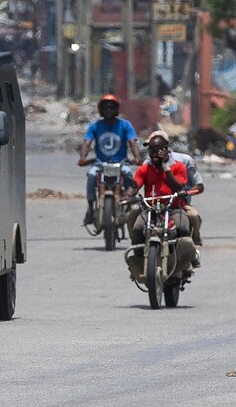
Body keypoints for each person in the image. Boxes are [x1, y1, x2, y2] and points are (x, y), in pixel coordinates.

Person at [123, 132, 195, 280]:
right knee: (137, 228)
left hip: (173, 208)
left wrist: (165, 168)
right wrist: (127, 196)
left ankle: (185, 262)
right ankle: (140, 261)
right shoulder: (145, 168)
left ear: (166, 149)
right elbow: (136, 185)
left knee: (183, 227)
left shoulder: (179, 167)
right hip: (151, 209)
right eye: (151, 151)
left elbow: (177, 187)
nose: (154, 154)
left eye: (158, 150)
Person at [77, 94, 142, 225]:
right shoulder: (95, 126)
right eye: (106, 108)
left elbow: (132, 142)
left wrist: (137, 158)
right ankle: (91, 207)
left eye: (112, 108)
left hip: (120, 163)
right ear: (101, 110)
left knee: (129, 174)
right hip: (100, 164)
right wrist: (83, 158)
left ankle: (128, 201)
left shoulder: (125, 125)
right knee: (91, 175)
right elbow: (87, 142)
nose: (109, 111)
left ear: (116, 109)